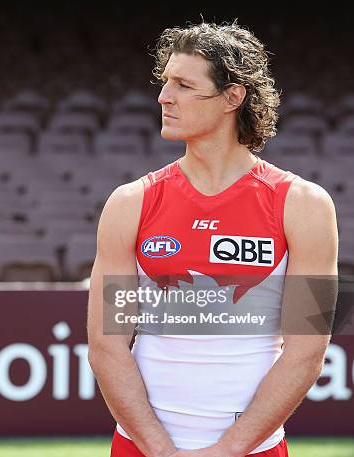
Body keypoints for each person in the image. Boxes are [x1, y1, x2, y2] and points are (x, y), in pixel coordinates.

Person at [87, 21, 338, 457]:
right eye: (165, 82)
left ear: (233, 96)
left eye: (184, 84)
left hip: (253, 449)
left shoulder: (304, 205)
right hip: (140, 447)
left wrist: (228, 450)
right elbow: (107, 344)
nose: (164, 97)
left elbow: (307, 350)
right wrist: (160, 450)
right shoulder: (130, 202)